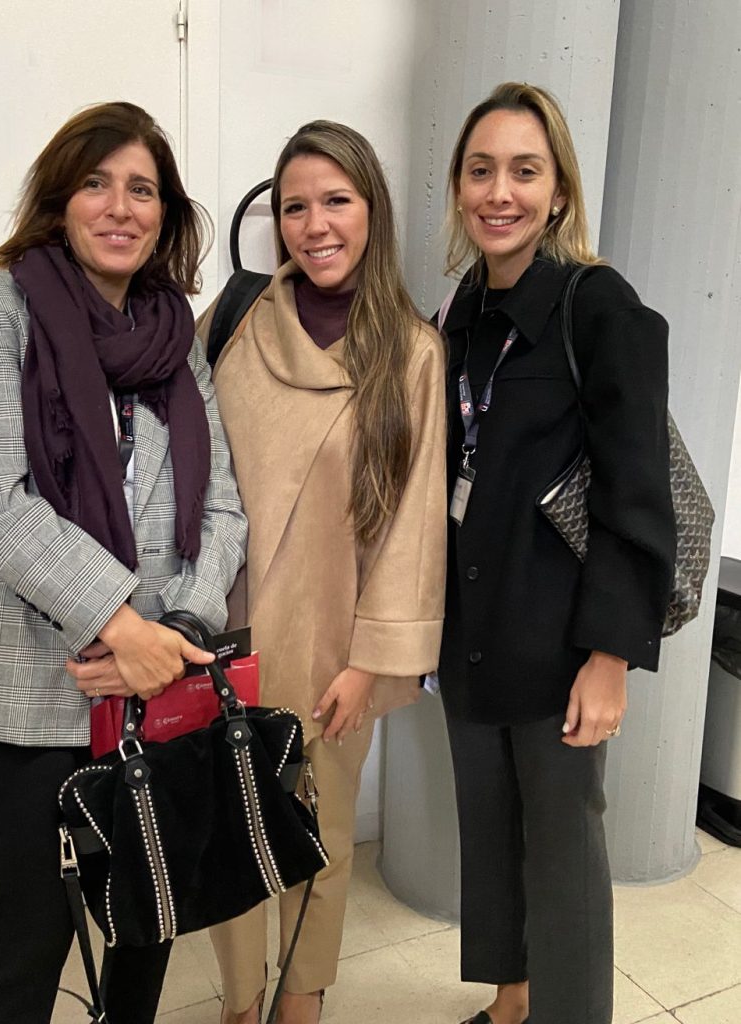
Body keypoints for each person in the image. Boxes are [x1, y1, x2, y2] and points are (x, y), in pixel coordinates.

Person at [0, 101, 247, 1024]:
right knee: (35, 922)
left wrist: (179, 631)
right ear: (57, 198)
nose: (120, 207)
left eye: (143, 189)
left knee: (148, 911)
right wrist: (122, 625)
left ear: (166, 214)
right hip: (31, 672)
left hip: (159, 671)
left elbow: (223, 503)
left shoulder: (173, 335)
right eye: (97, 183)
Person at [435, 82, 677, 1024]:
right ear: (459, 188)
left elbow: (636, 496)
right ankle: (511, 1005)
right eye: (482, 169)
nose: (502, 191)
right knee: (491, 836)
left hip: (561, 644)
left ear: (559, 191)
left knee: (564, 852)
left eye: (525, 171)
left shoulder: (598, 307)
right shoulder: (462, 312)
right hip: (473, 636)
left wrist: (610, 657)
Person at [198, 121, 447, 1024]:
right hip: (226, 638)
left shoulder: (411, 352)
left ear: (372, 211)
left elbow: (417, 523)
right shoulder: (232, 325)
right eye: (295, 206)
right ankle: (238, 1001)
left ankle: (300, 1003)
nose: (315, 224)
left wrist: (373, 661)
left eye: (336, 200)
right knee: (232, 833)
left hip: (336, 641)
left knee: (318, 839)